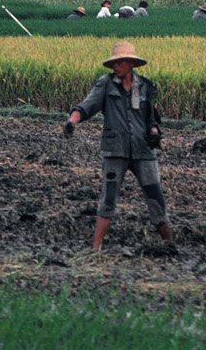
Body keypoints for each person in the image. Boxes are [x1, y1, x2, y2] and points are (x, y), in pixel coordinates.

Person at [63, 42, 173, 250]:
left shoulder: (145, 86)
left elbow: (152, 118)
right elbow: (86, 106)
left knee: (155, 195)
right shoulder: (105, 84)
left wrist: (155, 132)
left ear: (131, 64)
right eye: (114, 62)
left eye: (120, 62)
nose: (116, 66)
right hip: (116, 150)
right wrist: (72, 122)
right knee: (109, 197)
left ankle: (170, 244)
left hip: (143, 150)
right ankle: (96, 249)